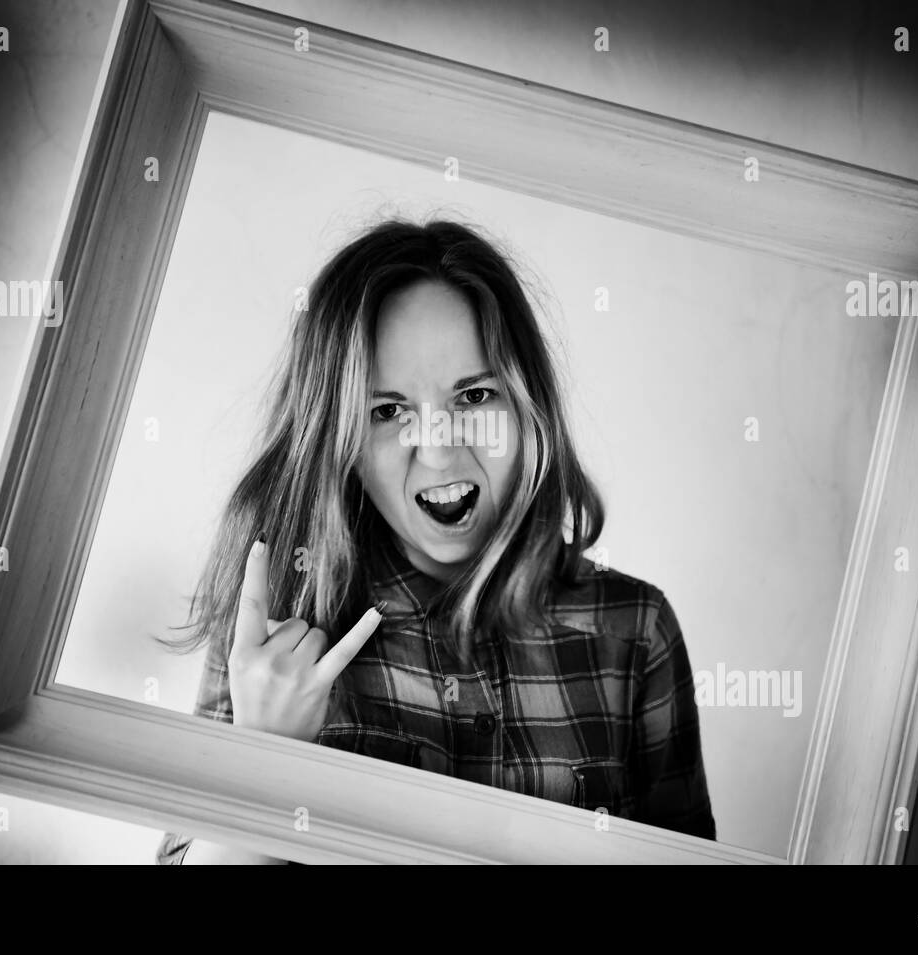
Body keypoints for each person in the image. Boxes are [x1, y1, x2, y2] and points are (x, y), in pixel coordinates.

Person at [156, 218, 715, 863]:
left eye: (475, 396)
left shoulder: (634, 630)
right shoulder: (278, 617)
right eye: (388, 411)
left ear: (529, 409)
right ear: (340, 439)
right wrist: (264, 761)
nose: (441, 447)